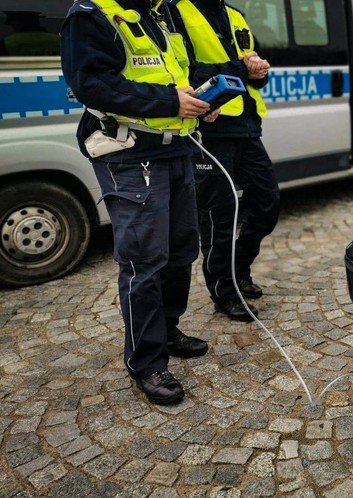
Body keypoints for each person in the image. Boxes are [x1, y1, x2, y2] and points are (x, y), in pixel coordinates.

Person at [60, 0, 214, 405]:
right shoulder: (92, 15)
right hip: (128, 152)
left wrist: (200, 99)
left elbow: (181, 72)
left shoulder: (160, 12)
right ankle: (146, 361)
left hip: (175, 147)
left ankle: (167, 329)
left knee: (181, 248)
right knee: (144, 261)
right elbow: (91, 83)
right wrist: (169, 102)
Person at [169, 0, 280, 322]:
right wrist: (240, 69)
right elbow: (184, 72)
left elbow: (249, 73)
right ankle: (225, 292)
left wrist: (258, 71)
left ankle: (239, 269)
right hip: (210, 130)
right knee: (219, 217)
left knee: (267, 203)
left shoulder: (234, 14)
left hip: (246, 126)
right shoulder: (176, 11)